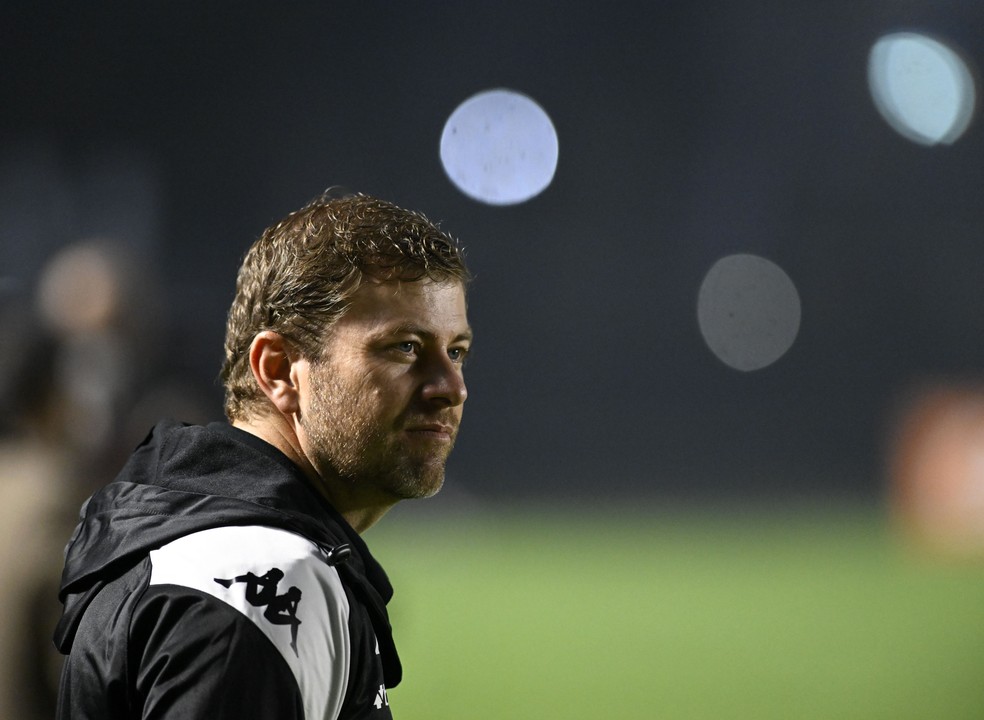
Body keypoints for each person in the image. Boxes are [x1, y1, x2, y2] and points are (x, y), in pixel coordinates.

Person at [52, 191, 474, 719]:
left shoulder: (205, 548)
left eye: (456, 351)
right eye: (405, 347)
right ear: (278, 370)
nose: (451, 387)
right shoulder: (261, 581)